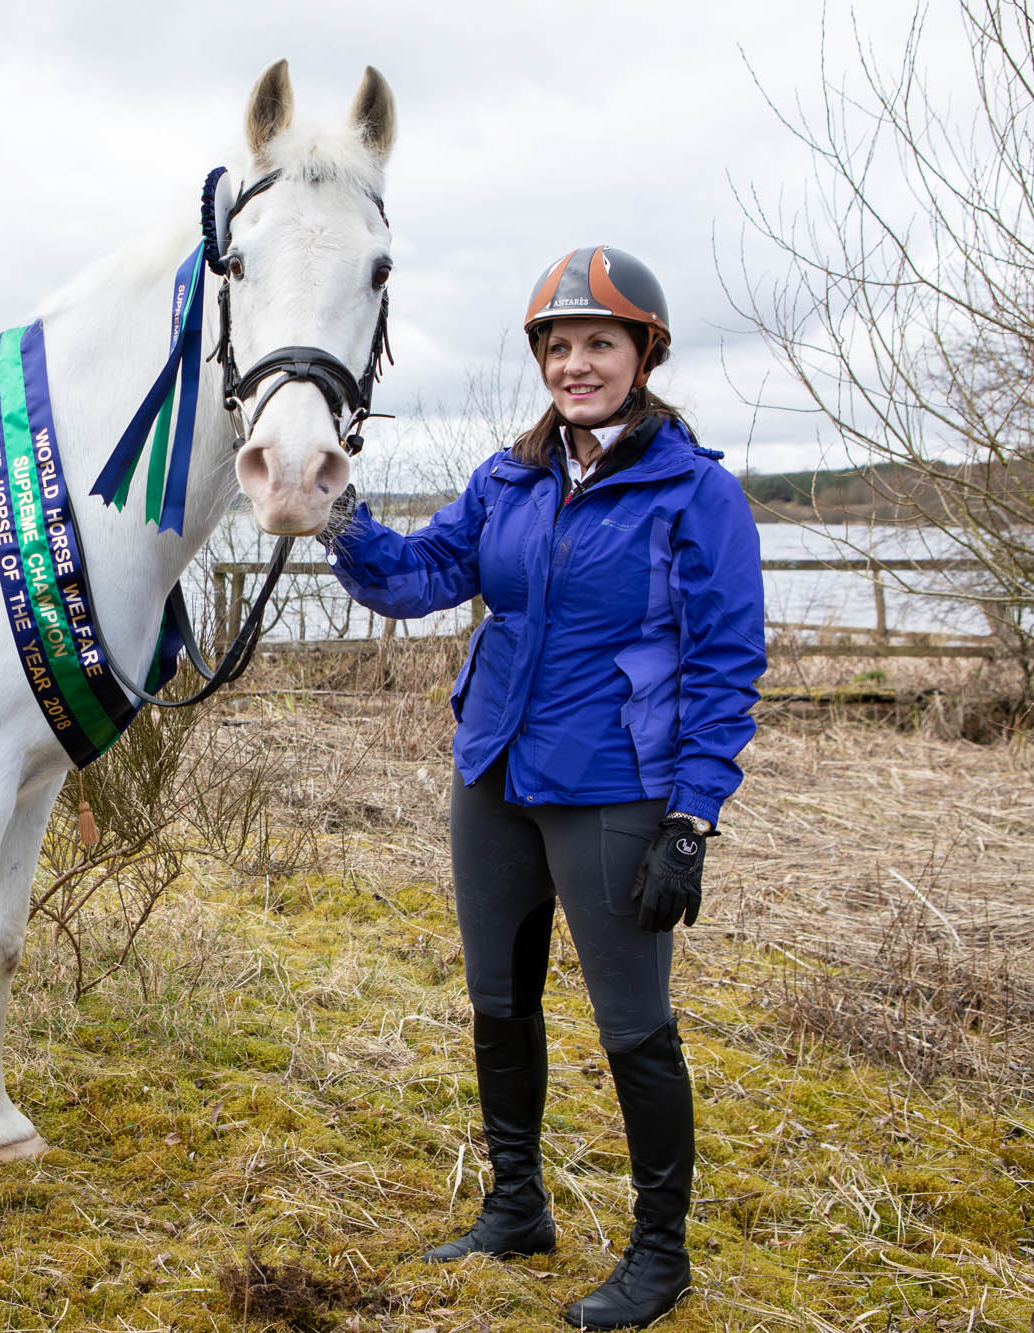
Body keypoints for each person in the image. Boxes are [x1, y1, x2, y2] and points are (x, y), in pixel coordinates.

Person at [321, 246, 766, 1329]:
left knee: (632, 1026)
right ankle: (515, 1207)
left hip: (613, 789)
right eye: (557, 346)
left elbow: (724, 659)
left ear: (641, 354)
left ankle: (659, 1257)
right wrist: (336, 514)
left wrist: (691, 817)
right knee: (495, 1002)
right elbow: (423, 575)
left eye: (598, 344)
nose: (575, 365)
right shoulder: (507, 478)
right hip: (493, 774)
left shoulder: (693, 492)